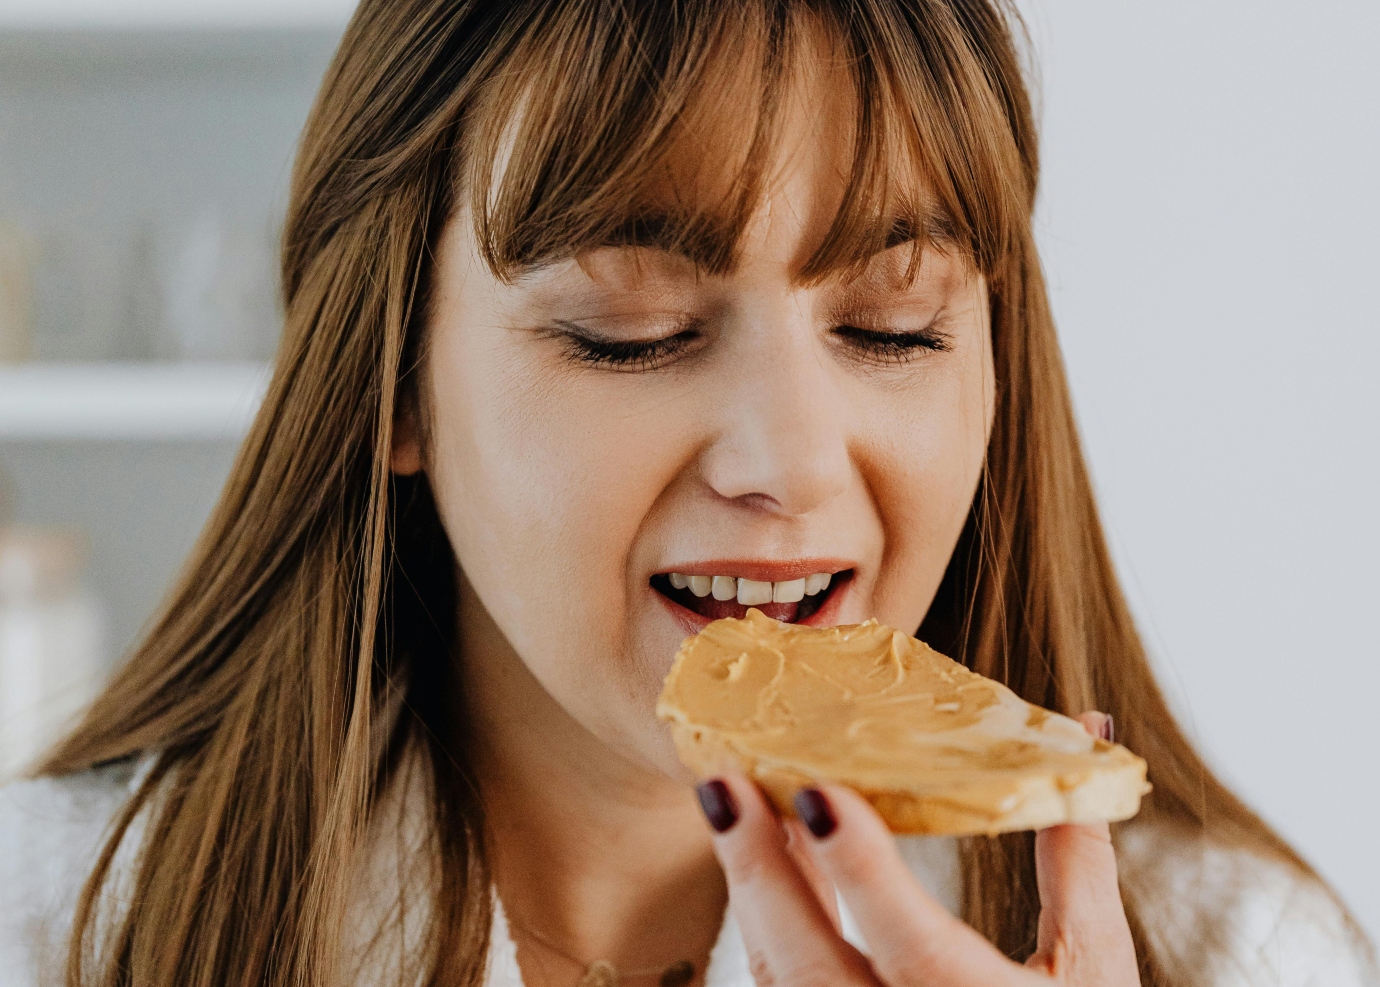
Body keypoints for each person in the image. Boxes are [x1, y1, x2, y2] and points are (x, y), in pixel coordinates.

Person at [1, 1, 1375, 985]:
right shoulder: (47, 925)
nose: (789, 465)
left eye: (893, 329)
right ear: (392, 386)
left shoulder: (1240, 955)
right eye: (633, 329)